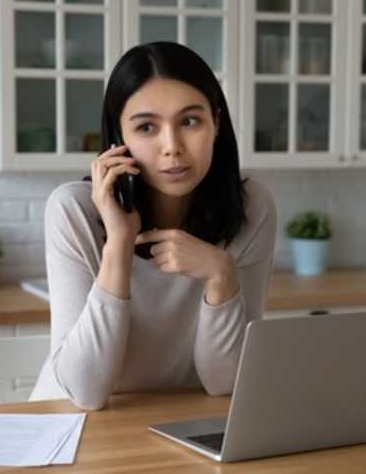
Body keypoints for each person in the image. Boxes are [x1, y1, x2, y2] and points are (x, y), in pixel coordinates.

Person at [30, 42, 277, 410]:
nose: (172, 147)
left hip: (180, 423)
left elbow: (225, 383)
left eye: (189, 121)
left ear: (217, 123)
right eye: (146, 127)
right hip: (72, 428)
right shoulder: (74, 210)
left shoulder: (252, 208)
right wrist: (117, 243)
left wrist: (222, 275)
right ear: (118, 138)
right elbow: (86, 391)